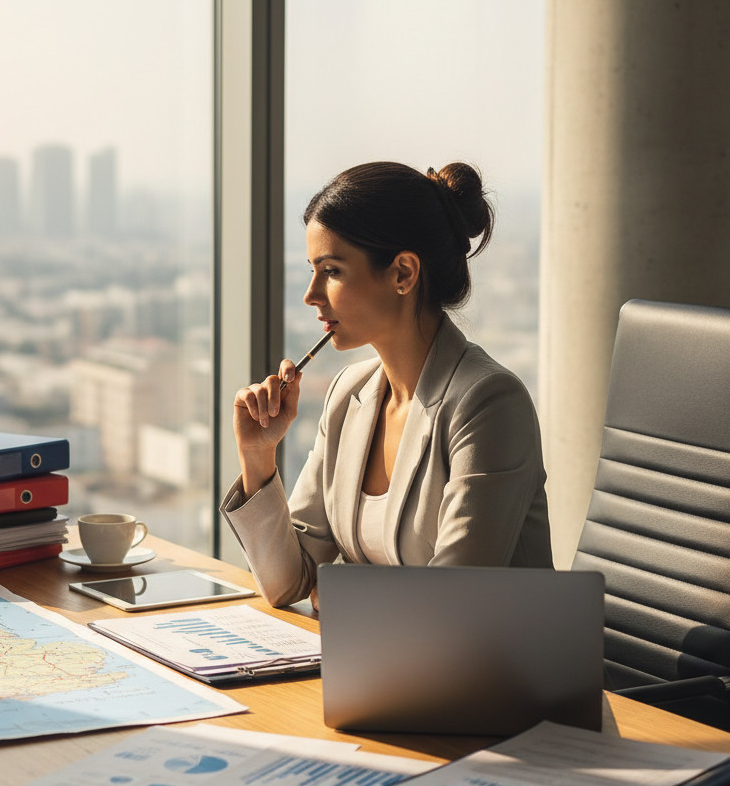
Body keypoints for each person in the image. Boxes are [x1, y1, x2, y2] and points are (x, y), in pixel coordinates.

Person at [221, 160, 552, 609]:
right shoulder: (347, 394)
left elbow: (452, 604)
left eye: (332, 271)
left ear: (402, 273)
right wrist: (257, 455)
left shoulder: (489, 404)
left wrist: (336, 592)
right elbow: (288, 583)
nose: (311, 294)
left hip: (496, 674)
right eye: (312, 270)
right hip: (387, 665)